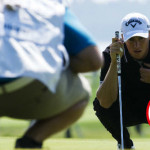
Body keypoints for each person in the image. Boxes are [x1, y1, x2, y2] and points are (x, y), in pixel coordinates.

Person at [0, 0, 102, 149]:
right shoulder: (52, 6)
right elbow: (93, 60)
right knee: (82, 91)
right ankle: (31, 141)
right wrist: (54, 62)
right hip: (29, 87)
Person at [93, 12, 150, 150]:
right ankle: (126, 145)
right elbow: (105, 102)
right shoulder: (109, 55)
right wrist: (114, 63)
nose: (137, 45)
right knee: (99, 104)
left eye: (141, 39)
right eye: (132, 39)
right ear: (123, 38)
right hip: (126, 109)